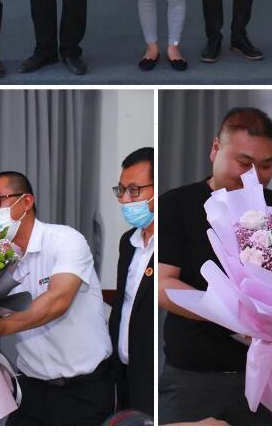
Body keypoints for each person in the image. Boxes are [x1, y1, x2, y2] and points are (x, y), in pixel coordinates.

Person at [158, 108, 272, 425]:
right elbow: (163, 285)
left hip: (265, 376)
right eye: (244, 163)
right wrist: (233, 314)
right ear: (215, 149)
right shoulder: (176, 204)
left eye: (266, 165)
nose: (254, 175)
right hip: (194, 377)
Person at [0, 171, 114, 425]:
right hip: (31, 389)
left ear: (26, 202)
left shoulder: (65, 240)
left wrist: (0, 327)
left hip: (84, 390)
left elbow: (57, 300)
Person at [108, 147, 155, 416]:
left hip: (154, 376)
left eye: (134, 190)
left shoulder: (171, 245)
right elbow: (123, 305)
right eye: (121, 190)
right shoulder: (128, 242)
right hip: (124, 372)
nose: (125, 199)